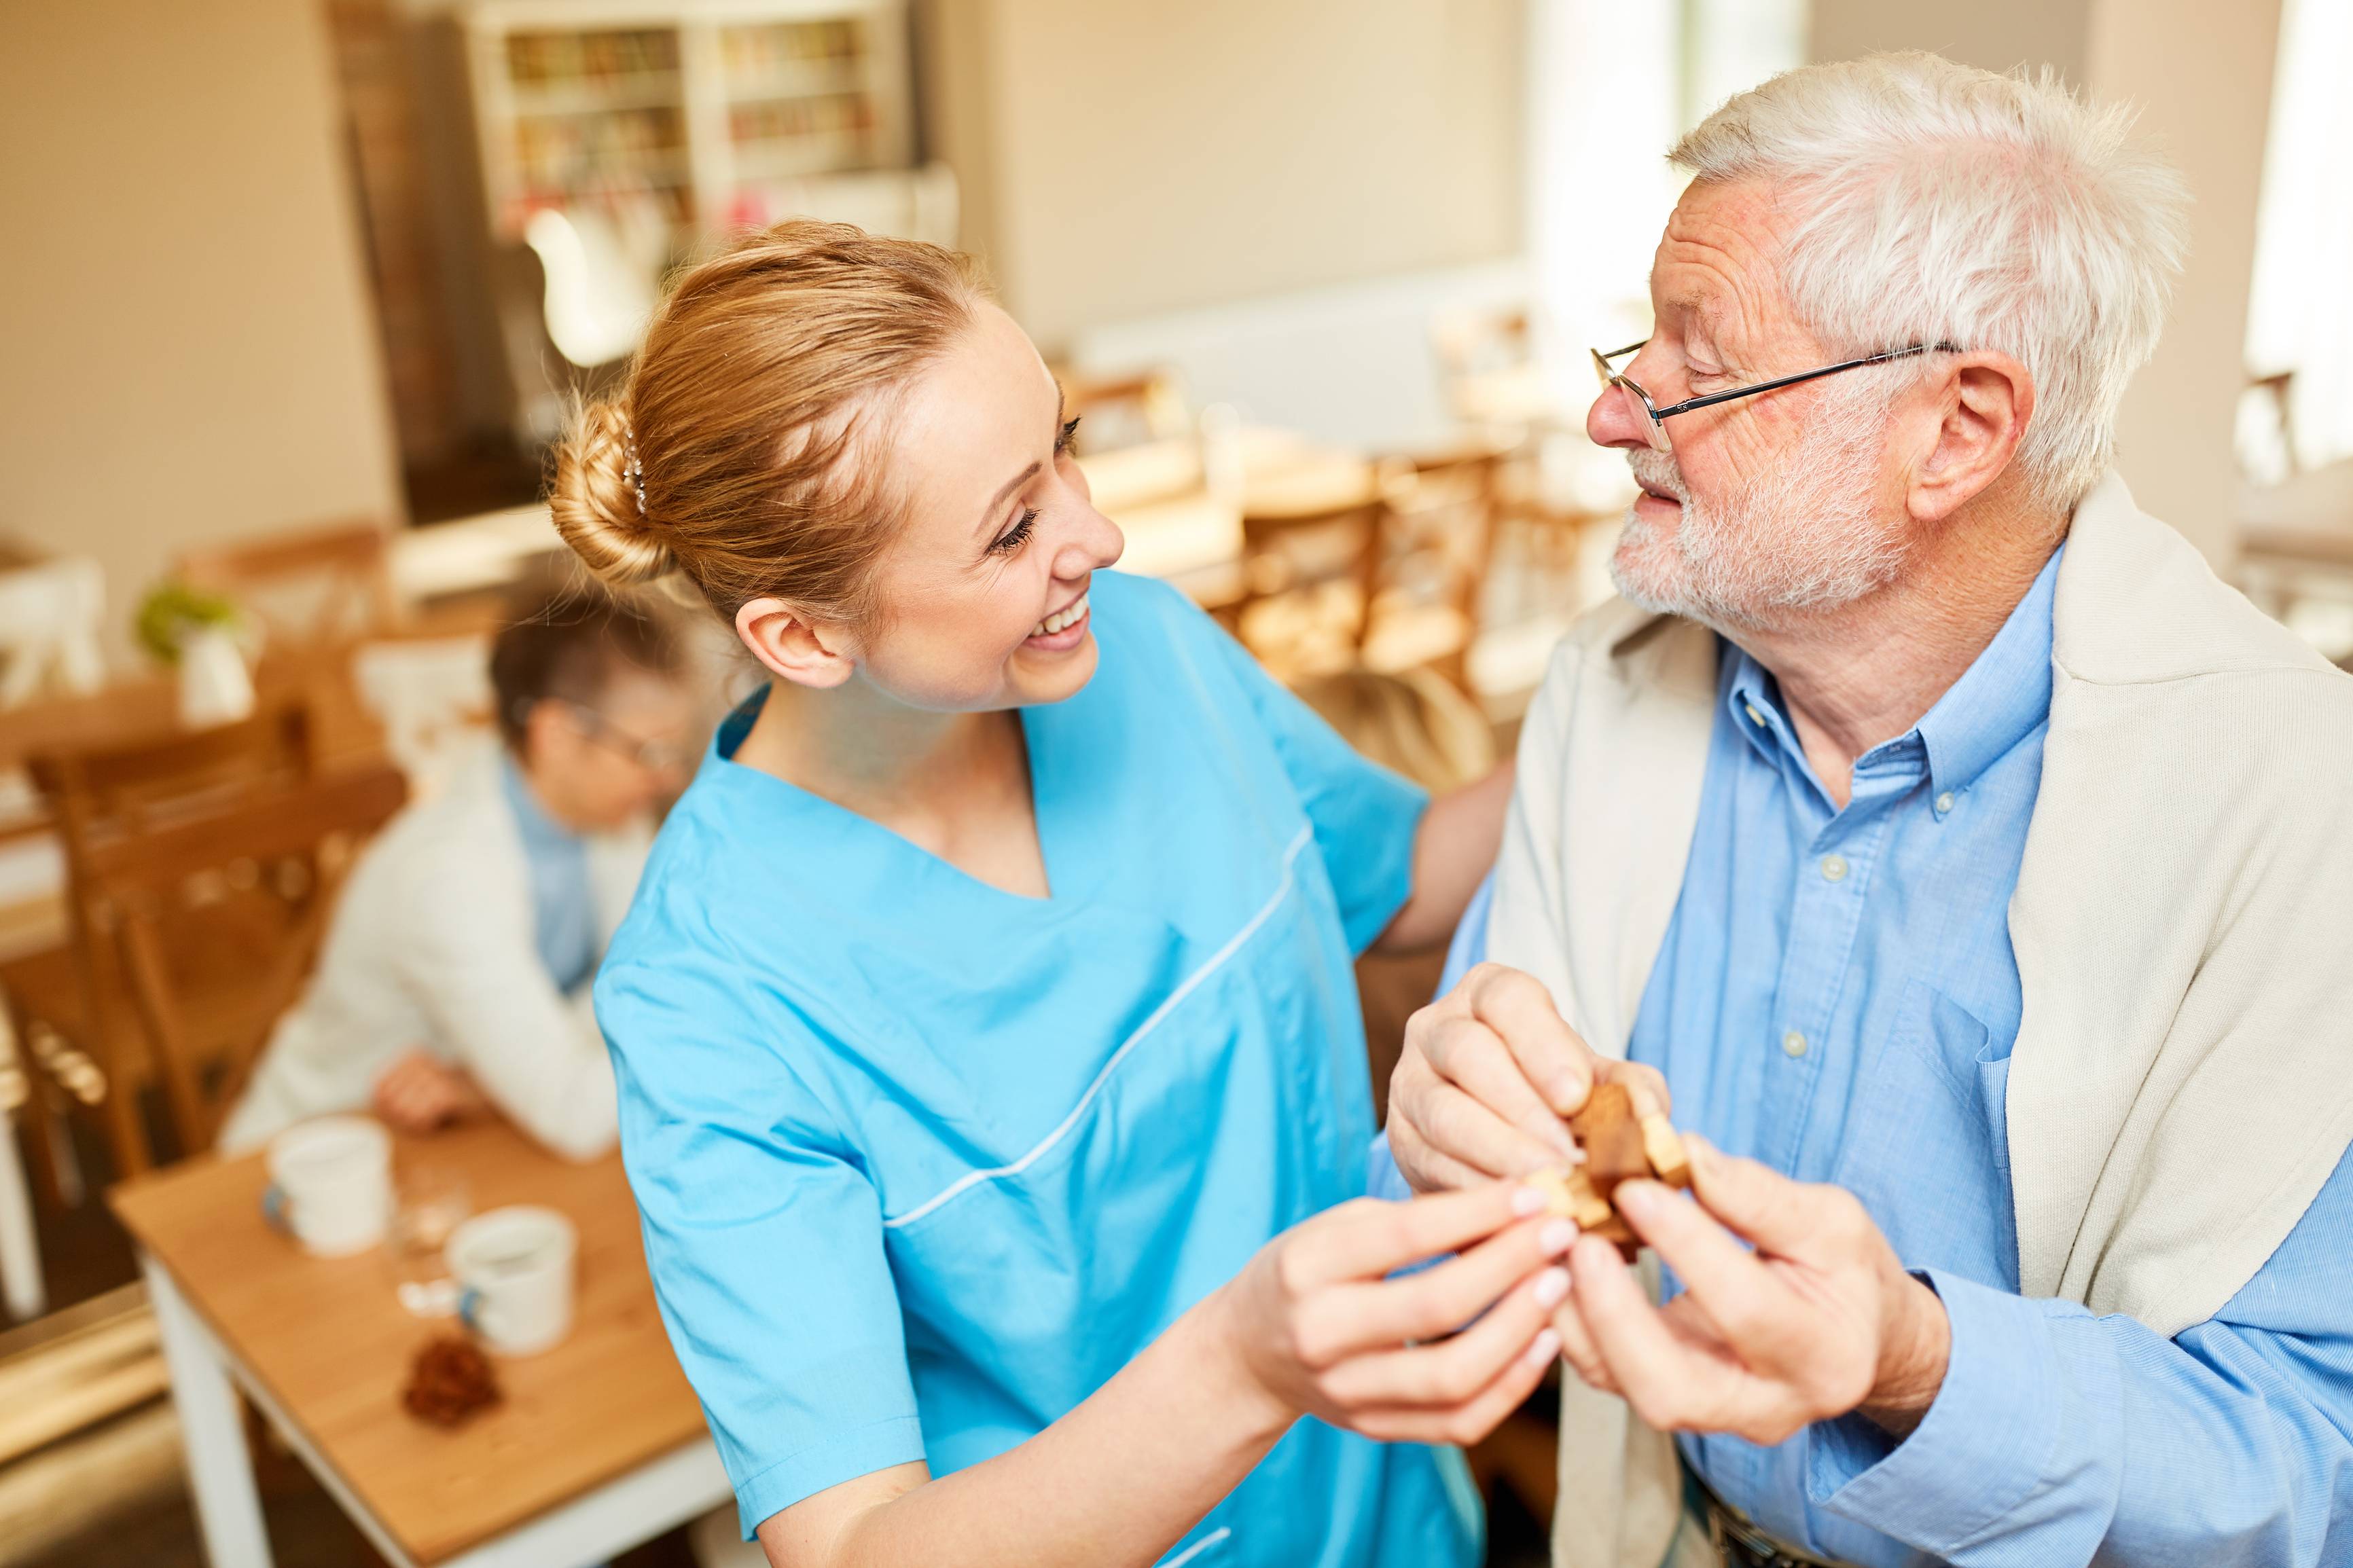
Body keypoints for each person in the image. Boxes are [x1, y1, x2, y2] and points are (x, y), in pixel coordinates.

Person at [1380, 52, 2353, 1568]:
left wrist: (1914, 1356)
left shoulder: (2303, 812)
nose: (1607, 412)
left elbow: (2309, 1465)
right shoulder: (1601, 689)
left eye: (1697, 361)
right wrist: (1437, 1136)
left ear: (1959, 428)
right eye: (1640, 337)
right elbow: (1444, 1207)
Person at [554, 222, 1636, 1568]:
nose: (1098, 532)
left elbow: (1402, 873)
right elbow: (850, 1544)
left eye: (1060, 448)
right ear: (804, 634)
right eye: (1012, 527)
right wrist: (1244, 1364)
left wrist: (1634, 676)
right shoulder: (712, 991)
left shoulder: (1147, 648)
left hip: (1398, 1516)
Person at [218, 589, 697, 1159]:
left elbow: (631, 987)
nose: (667, 778)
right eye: (648, 752)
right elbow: (577, 1115)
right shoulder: (448, 875)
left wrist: (494, 1086)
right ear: (557, 735)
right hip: (315, 1155)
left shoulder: (607, 815)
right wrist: (704, 1022)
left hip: (450, 1143)